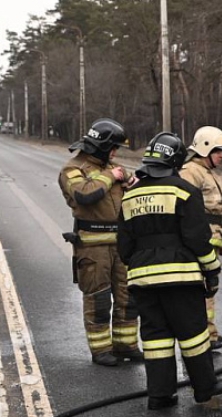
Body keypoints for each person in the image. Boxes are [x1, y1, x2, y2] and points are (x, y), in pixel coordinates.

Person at [117, 132, 222, 410]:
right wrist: (212, 270)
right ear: (176, 161)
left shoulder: (130, 196)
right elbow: (197, 239)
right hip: (181, 278)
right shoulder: (183, 190)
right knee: (193, 334)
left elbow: (124, 248)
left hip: (142, 280)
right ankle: (205, 388)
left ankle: (160, 395)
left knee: (156, 338)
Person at [57, 118, 141, 366]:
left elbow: (129, 184)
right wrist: (110, 176)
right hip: (93, 249)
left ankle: (126, 345)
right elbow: (84, 194)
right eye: (113, 147)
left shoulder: (113, 167)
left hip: (122, 246)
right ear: (102, 146)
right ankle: (101, 350)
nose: (115, 153)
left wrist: (132, 183)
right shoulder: (73, 169)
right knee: (99, 299)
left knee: (128, 297)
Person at [179, 126, 222, 351]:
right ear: (205, 149)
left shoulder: (208, 172)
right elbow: (187, 209)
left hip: (213, 237)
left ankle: (208, 332)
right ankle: (205, 335)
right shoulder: (191, 171)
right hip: (201, 239)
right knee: (204, 287)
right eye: (218, 150)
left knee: (209, 287)